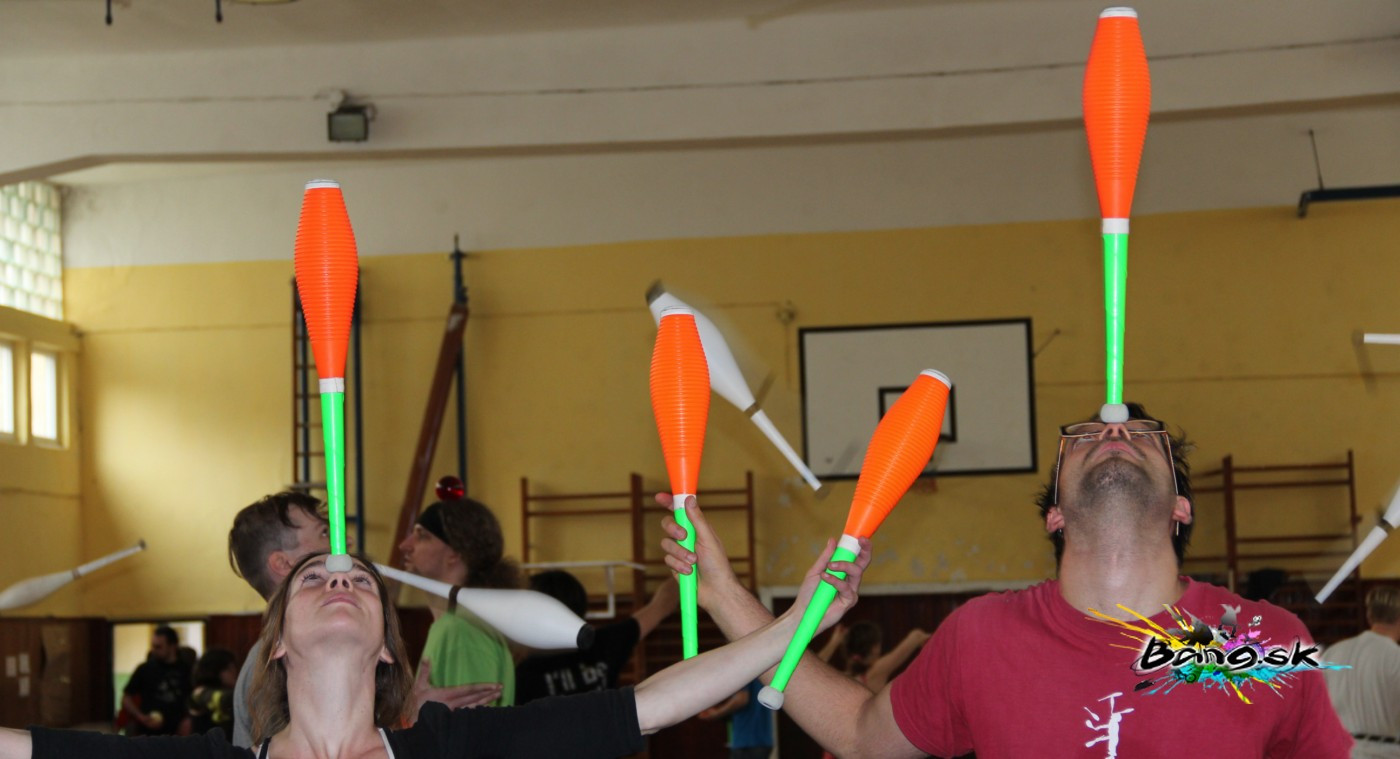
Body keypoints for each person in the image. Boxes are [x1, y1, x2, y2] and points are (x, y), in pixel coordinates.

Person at [661, 403, 1353, 758]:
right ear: (1056, 514)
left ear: (1181, 506)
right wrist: (723, 594)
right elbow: (859, 735)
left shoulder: (1268, 638)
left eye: (1146, 434)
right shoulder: (982, 633)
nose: (1115, 431)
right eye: (1085, 436)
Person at [4, 540, 868, 758]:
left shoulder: (457, 747)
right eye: (313, 580)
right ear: (276, 649)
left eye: (358, 580)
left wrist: (796, 621)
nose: (338, 581)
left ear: (390, 650)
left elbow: (651, 703)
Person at [229, 492, 497, 748]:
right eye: (325, 533)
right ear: (283, 564)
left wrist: (406, 717)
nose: (346, 541)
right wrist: (406, 722)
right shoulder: (270, 668)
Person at [397, 497, 519, 706]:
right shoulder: (455, 625)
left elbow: (469, 725)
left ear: (454, 553)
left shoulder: (462, 631)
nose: (405, 545)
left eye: (422, 536)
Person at [514, 571, 678, 703]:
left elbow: (662, 604)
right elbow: (661, 604)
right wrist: (684, 571)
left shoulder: (521, 671)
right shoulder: (602, 643)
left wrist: (685, 569)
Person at [1324, 586, 1400, 757]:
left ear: (1369, 615)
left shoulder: (1334, 653)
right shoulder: (1396, 658)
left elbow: (1316, 708)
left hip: (1341, 749)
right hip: (1387, 753)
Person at [816, 621, 930, 694]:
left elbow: (815, 667)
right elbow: (916, 637)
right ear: (875, 648)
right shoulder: (875, 673)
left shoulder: (838, 678)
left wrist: (834, 641)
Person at [120, 626, 192, 736]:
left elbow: (194, 700)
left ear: (172, 646)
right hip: (148, 733)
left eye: (158, 647)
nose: (154, 650)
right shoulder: (144, 669)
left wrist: (188, 720)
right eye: (153, 646)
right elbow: (127, 697)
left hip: (177, 734)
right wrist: (140, 716)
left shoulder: (187, 670)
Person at [698, 679, 772, 759]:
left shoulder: (743, 674)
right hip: (762, 738)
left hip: (746, 740)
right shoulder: (760, 674)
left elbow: (741, 699)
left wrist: (716, 713)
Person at [189, 648, 238, 741]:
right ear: (218, 671)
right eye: (230, 668)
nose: (234, 672)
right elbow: (224, 698)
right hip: (206, 747)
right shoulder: (200, 692)